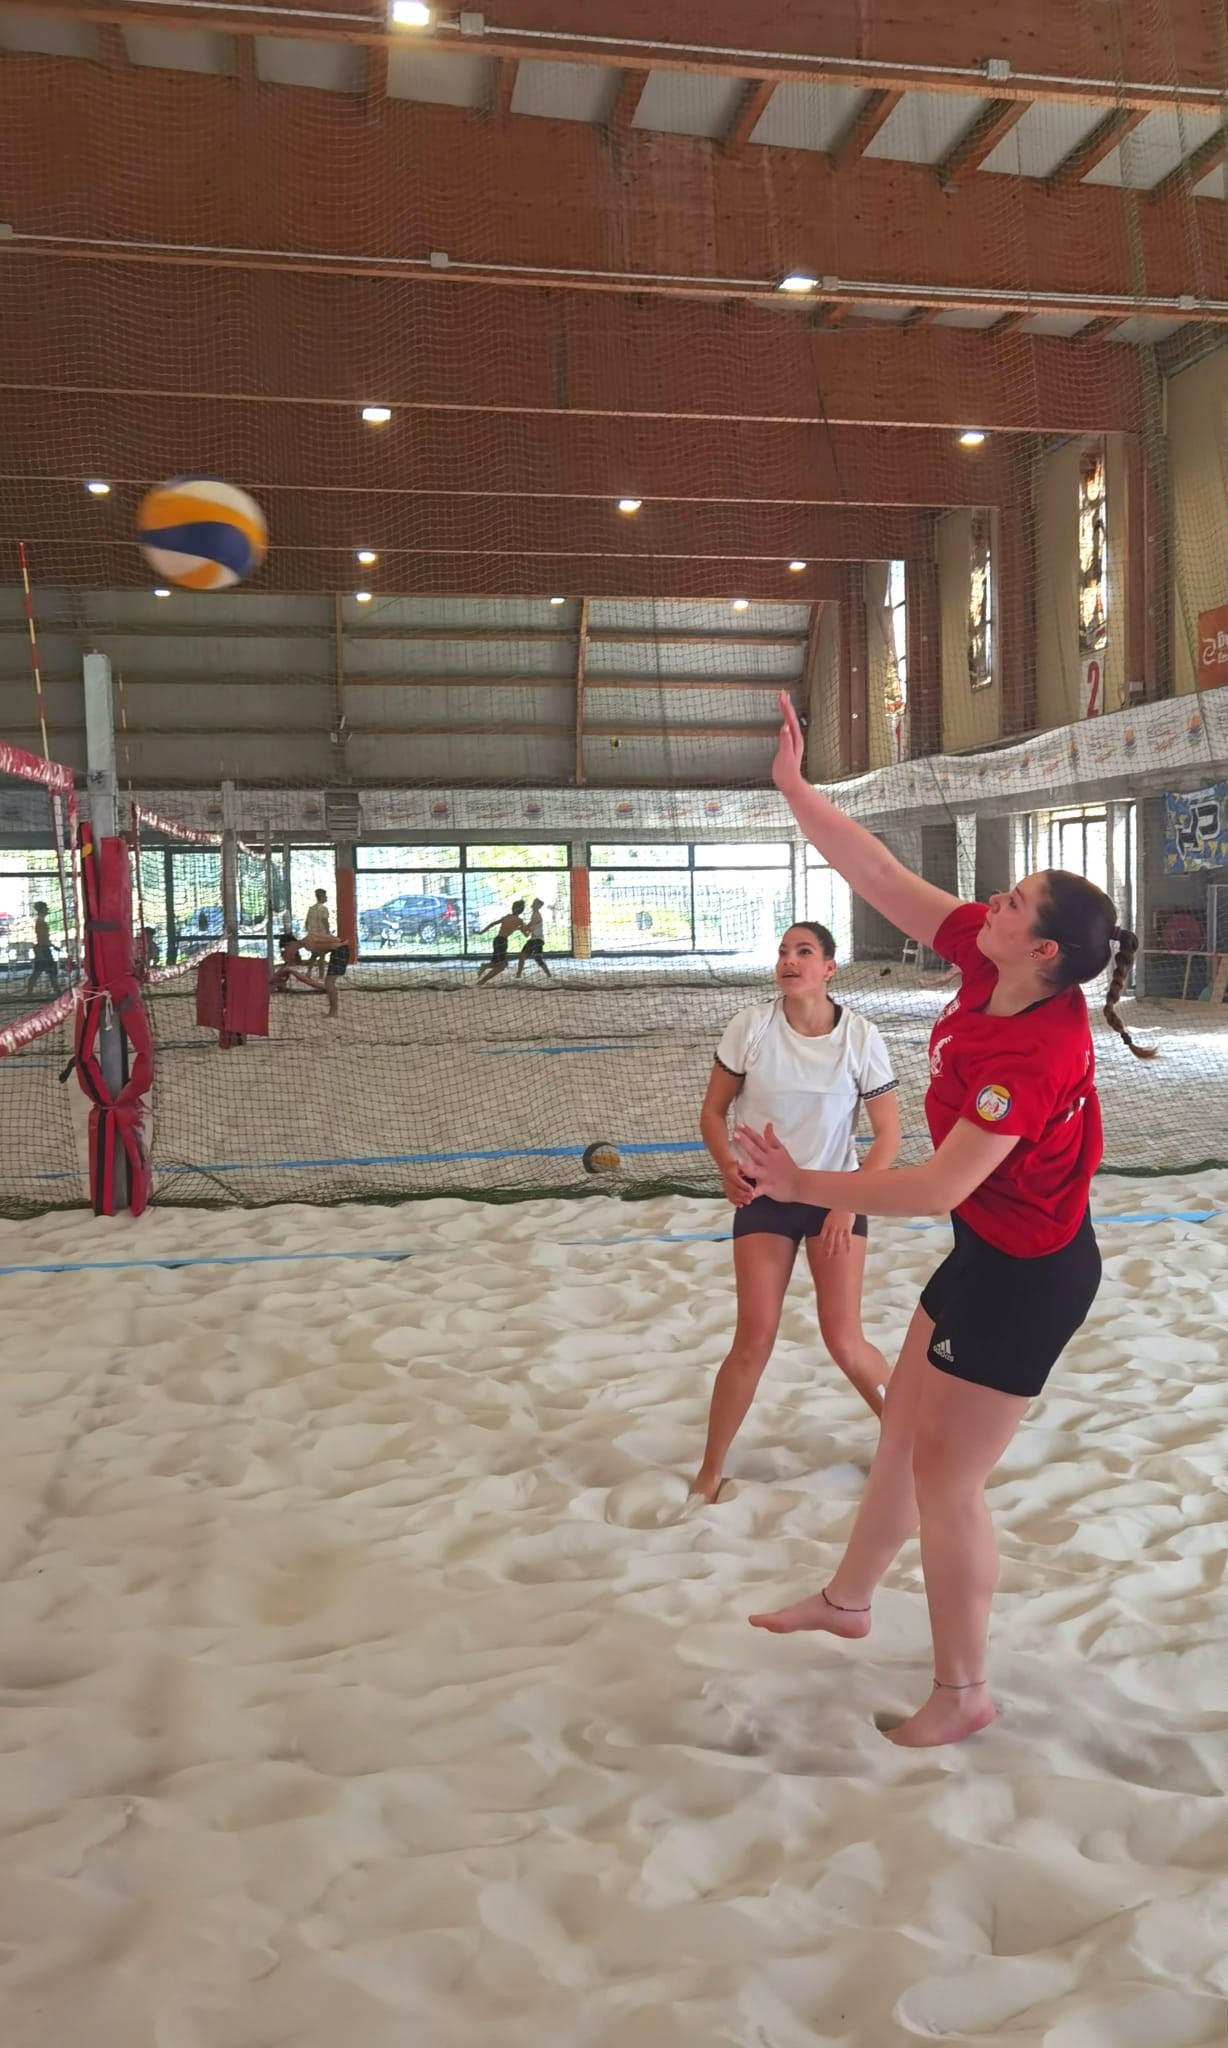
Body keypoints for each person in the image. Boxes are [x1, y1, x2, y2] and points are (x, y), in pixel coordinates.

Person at [736, 692, 1155, 1747]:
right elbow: (879, 875)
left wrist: (802, 1181)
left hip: (1028, 1278)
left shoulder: (1035, 1051)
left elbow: (933, 1190)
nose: (990, 904)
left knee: (948, 1480)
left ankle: (963, 1691)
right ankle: (847, 1601)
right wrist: (794, 788)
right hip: (986, 1255)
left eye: (1012, 901)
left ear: (1043, 951)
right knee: (901, 1435)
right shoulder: (988, 957)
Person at [691, 921, 900, 1504]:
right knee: (754, 1338)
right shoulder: (751, 1026)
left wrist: (847, 1201)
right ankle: (710, 1470)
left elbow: (887, 1136)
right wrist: (727, 1166)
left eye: (803, 952)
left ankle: (911, 1441)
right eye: (783, 951)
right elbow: (712, 1113)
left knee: (845, 1340)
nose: (788, 960)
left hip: (836, 1199)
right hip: (765, 1200)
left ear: (829, 967)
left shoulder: (860, 1036)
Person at [271, 932, 339, 1017]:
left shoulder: (284, 970)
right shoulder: (284, 970)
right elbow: (306, 981)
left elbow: (305, 980)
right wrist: (324, 987)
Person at [475, 900, 527, 985]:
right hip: (502, 942)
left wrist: (481, 932)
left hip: (497, 940)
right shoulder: (519, 921)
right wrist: (531, 927)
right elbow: (526, 935)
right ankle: (485, 967)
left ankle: (482, 980)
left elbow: (493, 924)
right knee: (502, 966)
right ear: (521, 910)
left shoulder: (507, 917)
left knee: (498, 965)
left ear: (513, 908)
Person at [24, 902, 60, 998]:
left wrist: (53, 946)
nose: (47, 909)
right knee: (44, 971)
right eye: (45, 908)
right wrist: (47, 948)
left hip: (43, 948)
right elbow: (43, 938)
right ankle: (57, 991)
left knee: (45, 971)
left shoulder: (41, 922)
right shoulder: (40, 922)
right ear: (42, 910)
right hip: (42, 949)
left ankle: (57, 991)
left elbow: (44, 938)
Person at [515, 898, 553, 978]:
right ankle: (549, 974)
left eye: (535, 903)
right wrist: (521, 927)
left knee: (522, 956)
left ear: (538, 906)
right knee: (537, 958)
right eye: (533, 902)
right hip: (537, 939)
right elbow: (529, 926)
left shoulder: (536, 915)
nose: (532, 903)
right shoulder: (534, 914)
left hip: (536, 940)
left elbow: (530, 929)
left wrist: (522, 928)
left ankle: (518, 974)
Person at [304, 888, 332, 979]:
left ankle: (309, 971)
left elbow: (306, 922)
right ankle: (321, 974)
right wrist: (328, 932)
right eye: (325, 896)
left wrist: (310, 932)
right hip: (321, 936)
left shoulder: (311, 909)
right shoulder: (324, 909)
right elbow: (325, 921)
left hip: (313, 935)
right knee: (322, 955)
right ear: (322, 897)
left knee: (314, 954)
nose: (326, 898)